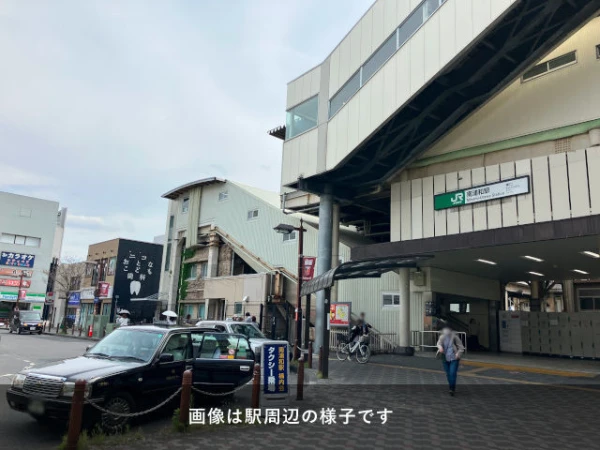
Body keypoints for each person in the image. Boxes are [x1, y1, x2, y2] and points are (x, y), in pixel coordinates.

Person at [437, 324, 465, 396]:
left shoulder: (455, 337)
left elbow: (461, 348)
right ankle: (451, 386)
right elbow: (438, 343)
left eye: (447, 329)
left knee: (452, 373)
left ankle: (452, 388)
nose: (446, 331)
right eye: (444, 329)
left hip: (454, 358)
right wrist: (440, 347)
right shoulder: (442, 337)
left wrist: (458, 354)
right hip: (445, 358)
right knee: (448, 374)